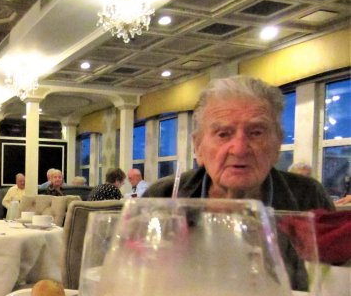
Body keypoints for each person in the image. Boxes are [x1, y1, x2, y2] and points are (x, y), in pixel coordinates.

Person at [144, 75, 335, 211]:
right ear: (198, 147)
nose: (240, 149)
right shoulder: (162, 196)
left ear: (277, 144)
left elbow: (331, 264)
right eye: (223, 134)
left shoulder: (307, 197)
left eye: (256, 133)